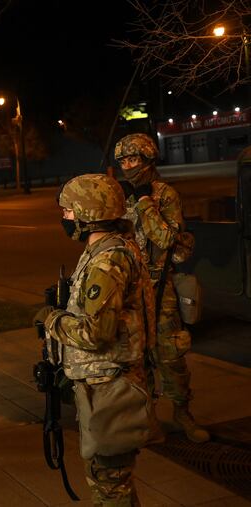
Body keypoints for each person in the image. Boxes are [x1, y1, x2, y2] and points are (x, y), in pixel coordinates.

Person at [34, 174, 155, 506]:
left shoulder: (107, 260)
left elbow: (94, 333)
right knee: (109, 479)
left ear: (88, 213)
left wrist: (52, 320)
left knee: (110, 482)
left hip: (110, 390)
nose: (65, 218)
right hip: (103, 386)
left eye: (69, 211)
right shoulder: (108, 248)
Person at [114, 133, 210, 443]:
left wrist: (144, 202)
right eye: (122, 161)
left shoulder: (163, 195)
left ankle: (183, 412)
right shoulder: (119, 195)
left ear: (148, 159)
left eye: (132, 159)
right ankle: (149, 417)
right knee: (138, 357)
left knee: (170, 354)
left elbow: (166, 239)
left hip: (161, 287)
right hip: (132, 287)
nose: (127, 166)